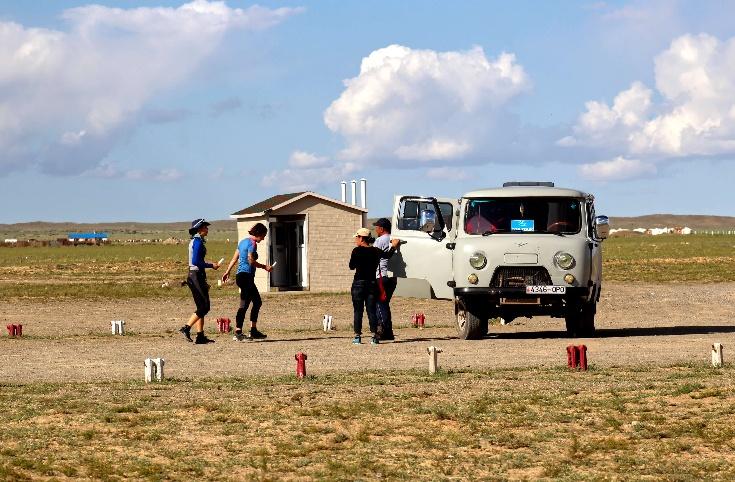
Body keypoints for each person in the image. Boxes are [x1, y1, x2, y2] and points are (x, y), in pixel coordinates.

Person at [221, 222, 272, 341]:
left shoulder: (243, 242)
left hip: (240, 276)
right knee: (249, 304)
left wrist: (227, 271)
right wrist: (265, 267)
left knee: (253, 302)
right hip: (246, 277)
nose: (263, 238)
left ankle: (252, 330)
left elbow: (234, 258)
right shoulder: (252, 244)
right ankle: (239, 332)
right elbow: (251, 261)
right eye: (263, 235)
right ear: (259, 233)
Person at [349, 227, 399, 345]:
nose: (356, 240)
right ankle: (374, 336)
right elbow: (388, 255)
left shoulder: (356, 251)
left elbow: (351, 266)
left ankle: (357, 337)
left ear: (361, 238)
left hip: (358, 283)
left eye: (357, 237)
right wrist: (394, 246)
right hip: (372, 283)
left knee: (358, 311)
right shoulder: (375, 251)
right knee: (371, 310)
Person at [180, 218, 220, 344]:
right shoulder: (197, 242)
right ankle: (186, 328)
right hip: (195, 276)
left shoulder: (196, 240)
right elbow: (196, 261)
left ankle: (200, 336)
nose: (207, 229)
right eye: (205, 227)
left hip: (197, 276)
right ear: (199, 229)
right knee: (204, 307)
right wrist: (211, 265)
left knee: (200, 307)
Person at [372, 218, 398, 340]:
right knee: (384, 304)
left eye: (377, 227)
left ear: (381, 229)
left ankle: (384, 331)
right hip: (393, 277)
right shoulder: (395, 239)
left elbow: (374, 257)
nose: (375, 230)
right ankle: (388, 332)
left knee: (380, 304)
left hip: (381, 276)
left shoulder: (380, 240)